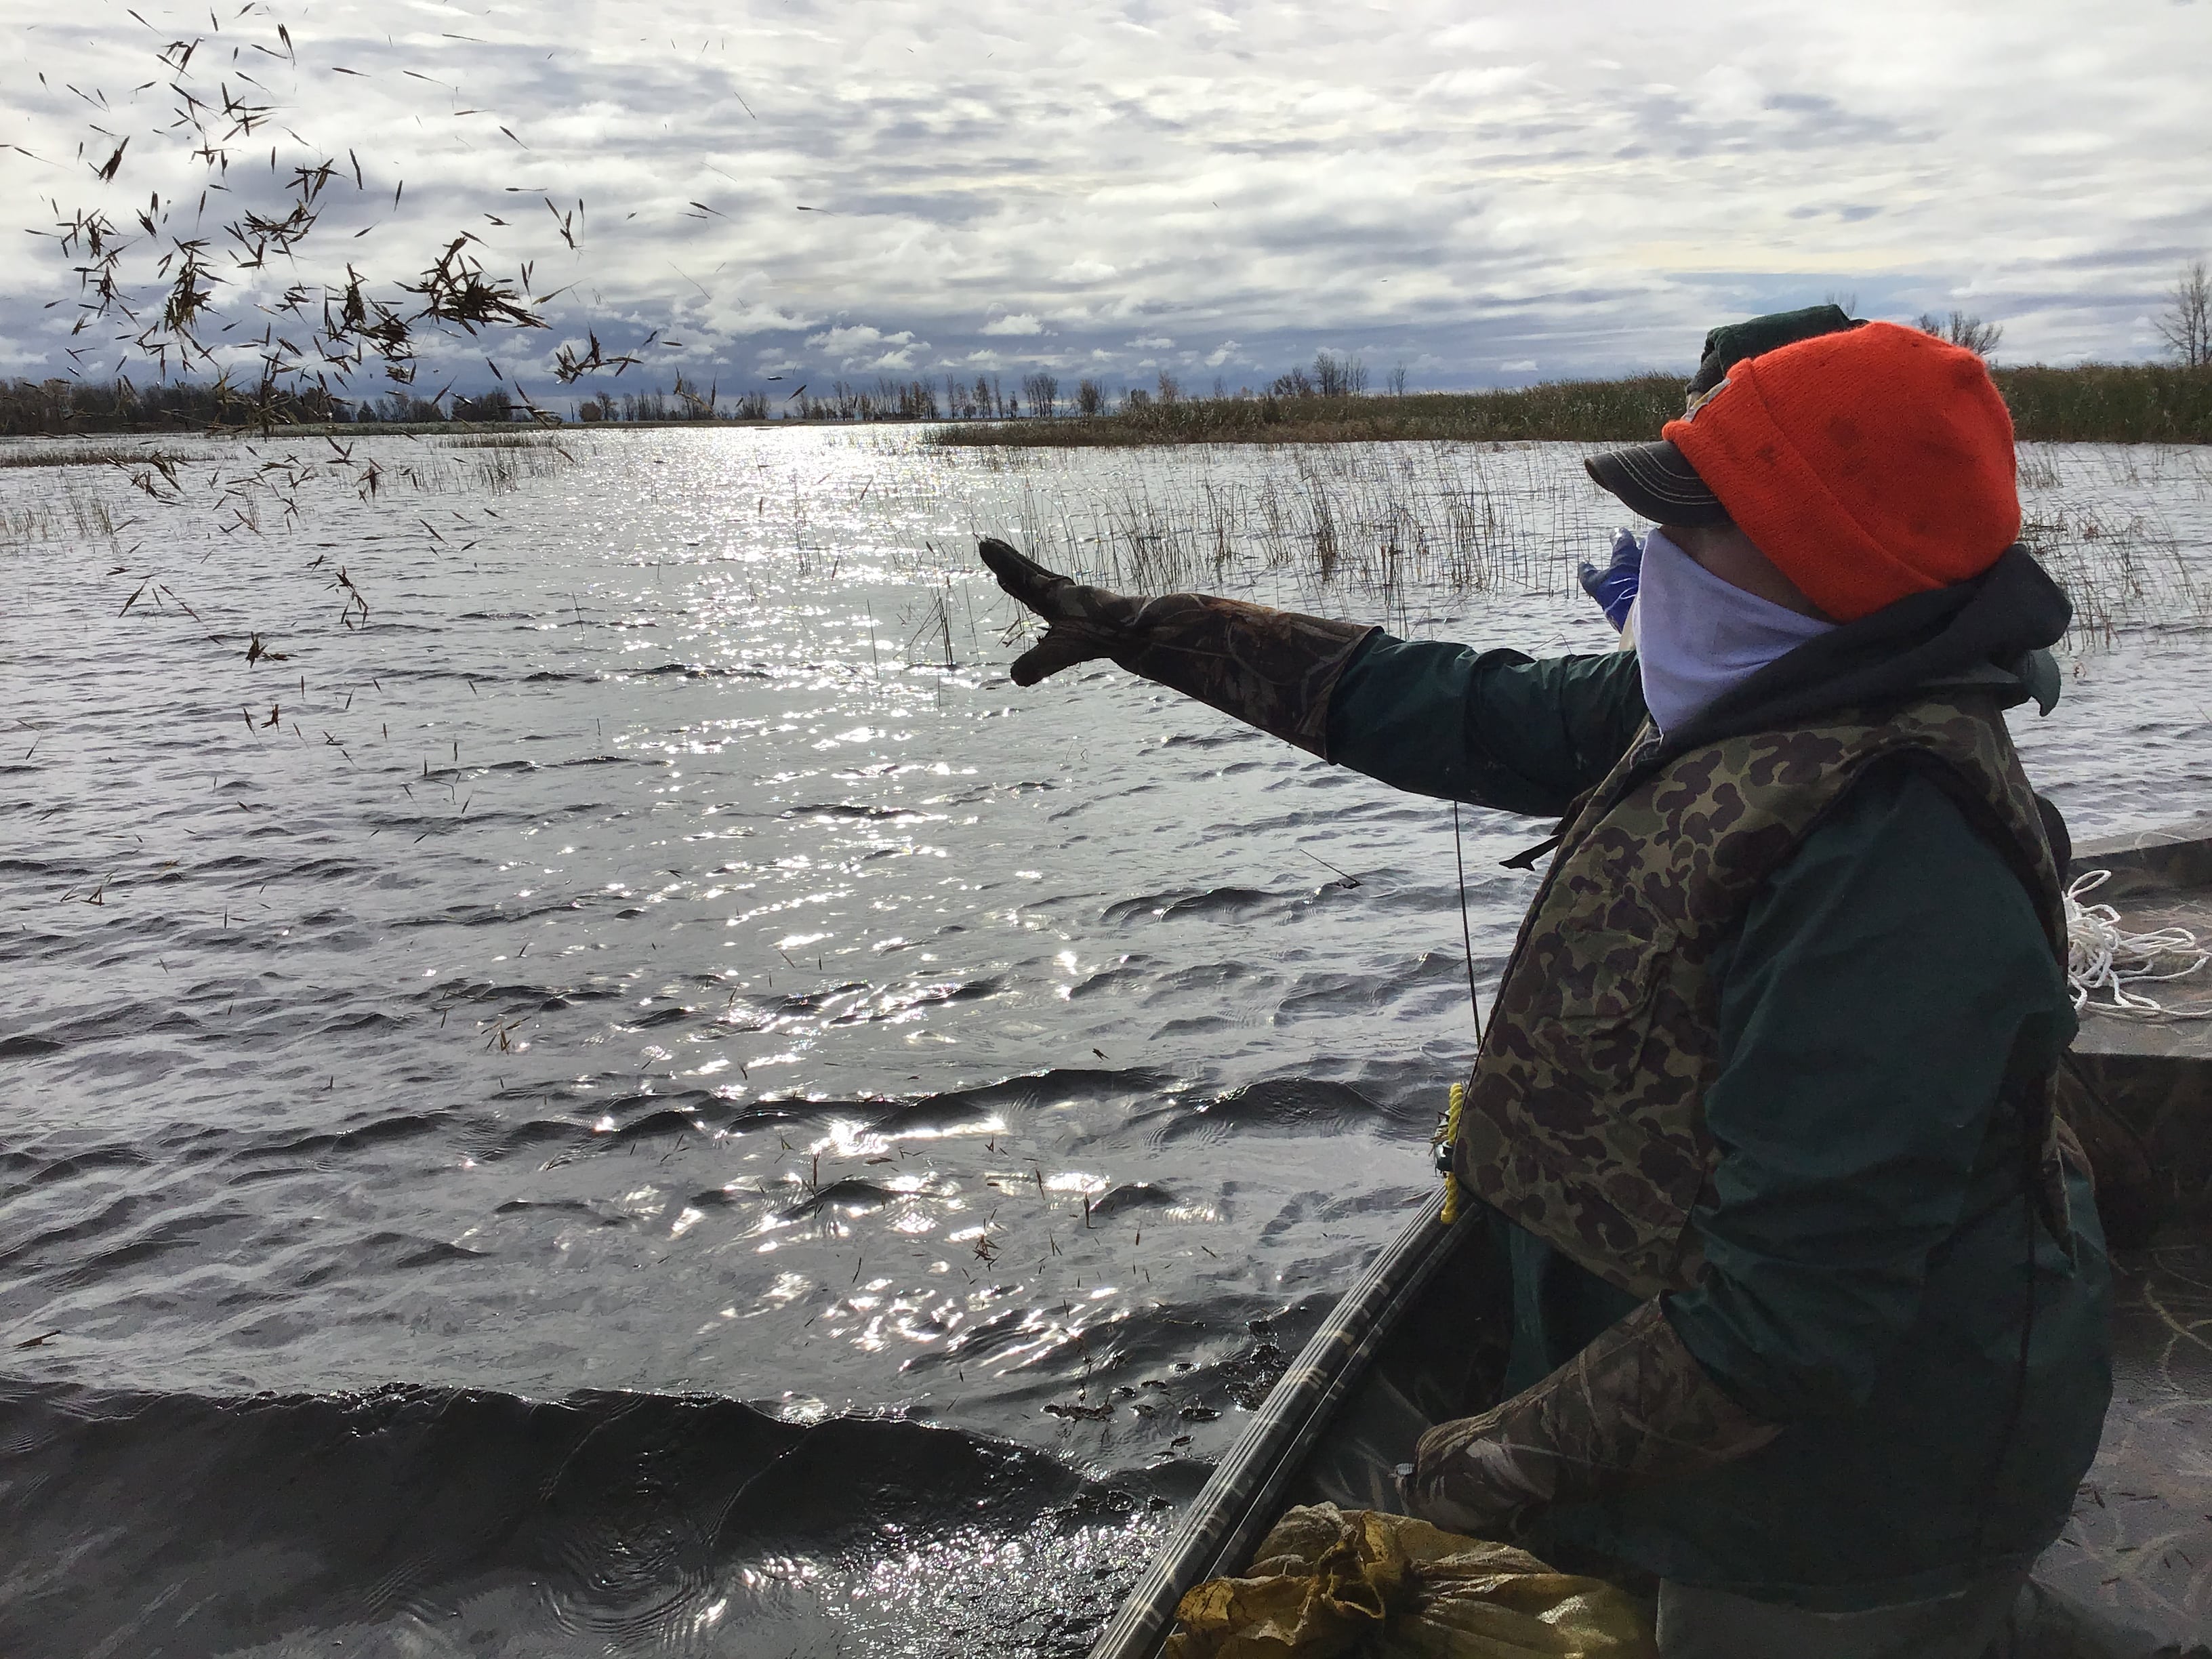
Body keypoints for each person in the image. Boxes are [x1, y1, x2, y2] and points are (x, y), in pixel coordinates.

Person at [977, 320, 2191, 1656]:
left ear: (1824, 560)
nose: (1652, 559)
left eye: (1691, 524)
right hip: (1735, 1452)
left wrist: (1497, 1458)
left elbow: (1792, 1320)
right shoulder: (1743, 705)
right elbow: (1450, 704)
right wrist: (1162, 634)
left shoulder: (1895, 852)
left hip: (1845, 1510)